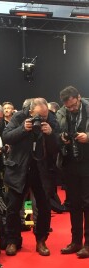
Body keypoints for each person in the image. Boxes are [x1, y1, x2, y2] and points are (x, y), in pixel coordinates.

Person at [3, 98, 60, 256]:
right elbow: (6, 137)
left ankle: (41, 240)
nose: (42, 120)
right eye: (39, 117)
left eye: (44, 116)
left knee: (44, 208)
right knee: (13, 208)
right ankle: (13, 241)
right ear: (30, 112)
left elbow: (57, 147)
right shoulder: (19, 117)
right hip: (19, 169)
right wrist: (23, 129)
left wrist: (50, 134)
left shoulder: (51, 120)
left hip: (42, 171)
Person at [57, 86, 89, 258]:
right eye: (68, 107)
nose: (71, 109)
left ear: (79, 97)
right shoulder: (62, 113)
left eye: (73, 105)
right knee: (74, 204)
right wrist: (61, 138)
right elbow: (56, 132)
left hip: (87, 162)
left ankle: (88, 244)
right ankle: (76, 241)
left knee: (88, 203)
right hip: (70, 162)